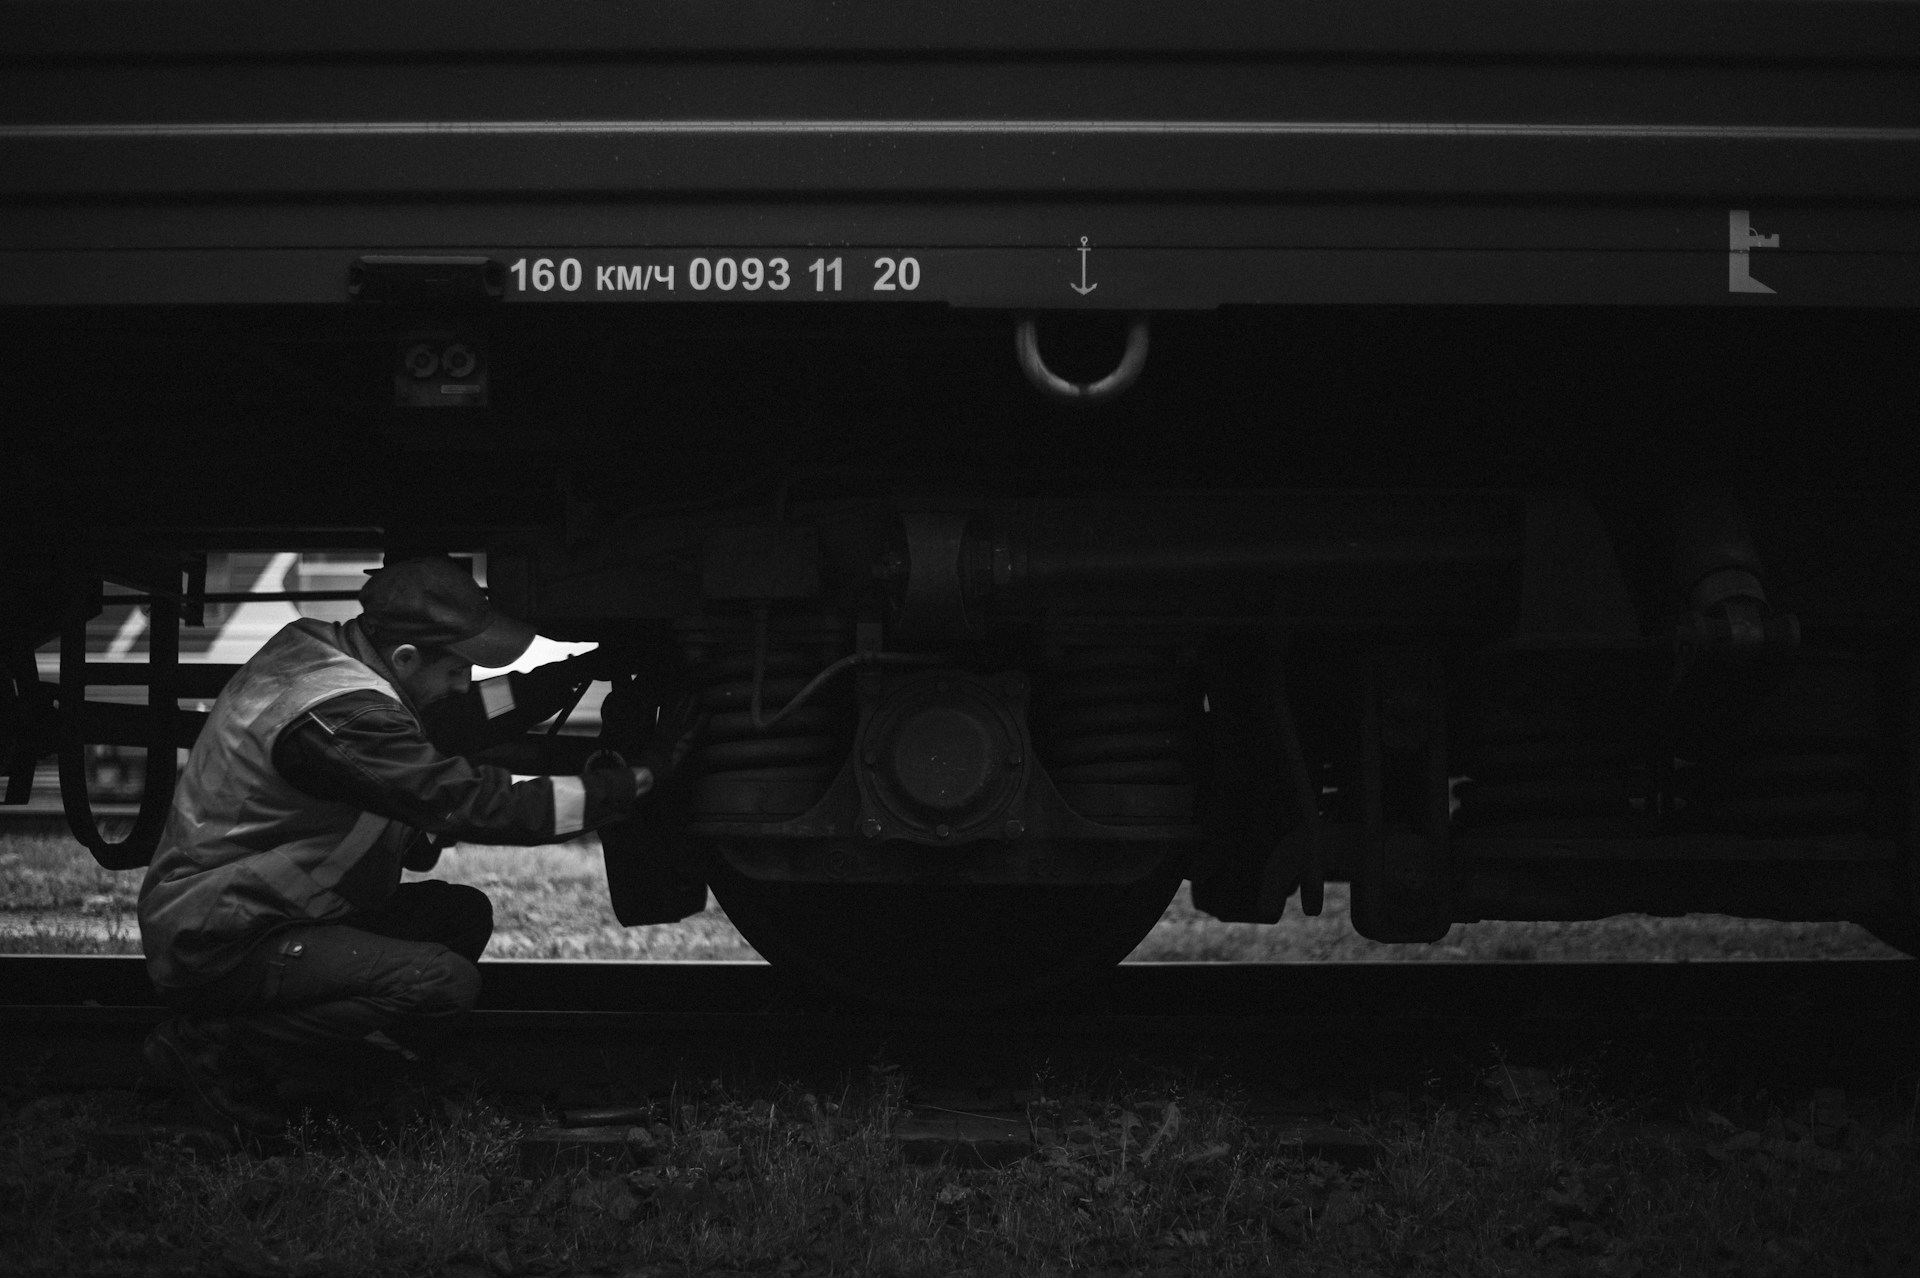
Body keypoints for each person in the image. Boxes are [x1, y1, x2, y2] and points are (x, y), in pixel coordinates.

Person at [136, 555, 693, 1136]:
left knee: (459, 917)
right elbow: (481, 804)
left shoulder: (338, 661)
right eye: (460, 669)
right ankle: (218, 1048)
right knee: (440, 984)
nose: (466, 681)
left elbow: (472, 713)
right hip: (224, 937)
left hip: (273, 913)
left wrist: (577, 670)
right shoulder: (344, 721)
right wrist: (636, 781)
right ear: (406, 659)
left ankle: (338, 1058)